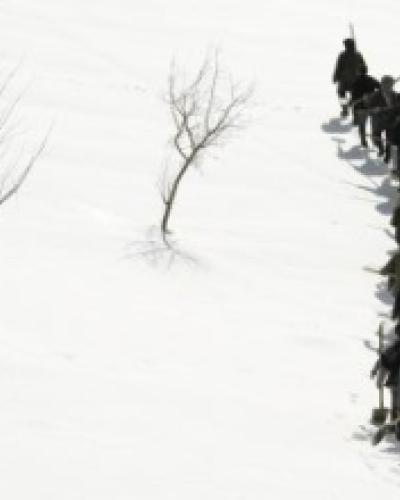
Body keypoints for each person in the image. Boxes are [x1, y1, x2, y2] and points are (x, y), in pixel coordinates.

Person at [365, 75, 400, 161]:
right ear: (382, 85)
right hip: (378, 121)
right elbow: (368, 108)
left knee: (390, 140)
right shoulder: (374, 96)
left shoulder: (396, 96)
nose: (389, 87)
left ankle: (387, 156)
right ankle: (381, 148)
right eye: (386, 85)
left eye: (390, 85)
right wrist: (373, 110)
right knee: (375, 138)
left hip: (391, 121)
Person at [333, 38, 367, 118]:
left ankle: (346, 109)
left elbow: (338, 67)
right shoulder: (358, 55)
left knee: (342, 94)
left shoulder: (343, 55)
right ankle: (350, 109)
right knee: (353, 96)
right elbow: (364, 68)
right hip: (355, 80)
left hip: (345, 80)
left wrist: (336, 76)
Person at [350, 68, 380, 147]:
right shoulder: (371, 79)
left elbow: (353, 96)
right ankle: (376, 141)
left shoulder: (356, 82)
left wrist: (352, 106)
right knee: (374, 126)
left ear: (358, 72)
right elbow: (380, 87)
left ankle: (363, 141)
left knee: (362, 126)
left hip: (361, 108)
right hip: (372, 106)